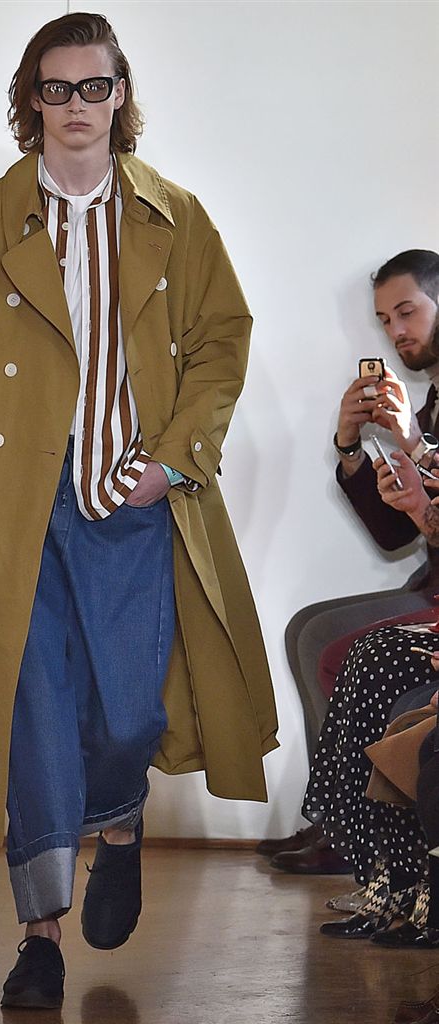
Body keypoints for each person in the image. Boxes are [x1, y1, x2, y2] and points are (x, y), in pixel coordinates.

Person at [0, 12, 277, 1009]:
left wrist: (173, 461)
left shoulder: (174, 216)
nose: (76, 105)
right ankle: (39, 938)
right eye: (56, 87)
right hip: (16, 507)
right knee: (34, 718)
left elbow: (222, 343)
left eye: (94, 86)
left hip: (130, 497)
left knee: (128, 712)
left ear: (120, 96)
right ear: (30, 101)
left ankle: (118, 819)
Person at [266, 250, 439, 872]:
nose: (396, 332)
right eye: (385, 320)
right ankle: (335, 820)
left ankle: (347, 830)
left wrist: (412, 443)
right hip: (430, 581)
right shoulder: (430, 403)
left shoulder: (423, 418)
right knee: (305, 629)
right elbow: (395, 534)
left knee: (332, 643)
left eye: (407, 312)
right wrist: (349, 446)